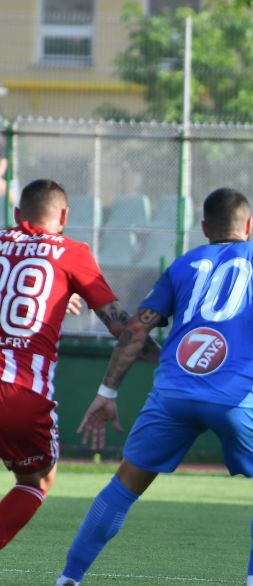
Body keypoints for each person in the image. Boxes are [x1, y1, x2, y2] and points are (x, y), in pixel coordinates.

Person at [38, 188, 253, 586]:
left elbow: (135, 330)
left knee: (123, 487)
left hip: (173, 393)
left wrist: (107, 392)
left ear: (204, 228)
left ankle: (66, 581)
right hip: (238, 395)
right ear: (248, 226)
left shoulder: (183, 265)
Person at [0, 179, 156, 556]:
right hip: (20, 393)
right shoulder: (71, 252)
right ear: (65, 216)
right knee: (35, 480)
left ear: (17, 214)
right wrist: (168, 360)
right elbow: (122, 328)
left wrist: (52, 297)